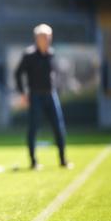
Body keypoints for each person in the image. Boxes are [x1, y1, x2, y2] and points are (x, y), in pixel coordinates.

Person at [15, 24, 73, 171]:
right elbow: (17, 73)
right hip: (35, 96)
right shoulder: (28, 55)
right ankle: (33, 162)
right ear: (37, 38)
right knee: (33, 128)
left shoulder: (51, 54)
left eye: (49, 37)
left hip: (51, 95)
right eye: (44, 37)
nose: (47, 40)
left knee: (59, 127)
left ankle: (62, 160)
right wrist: (22, 93)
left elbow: (56, 74)